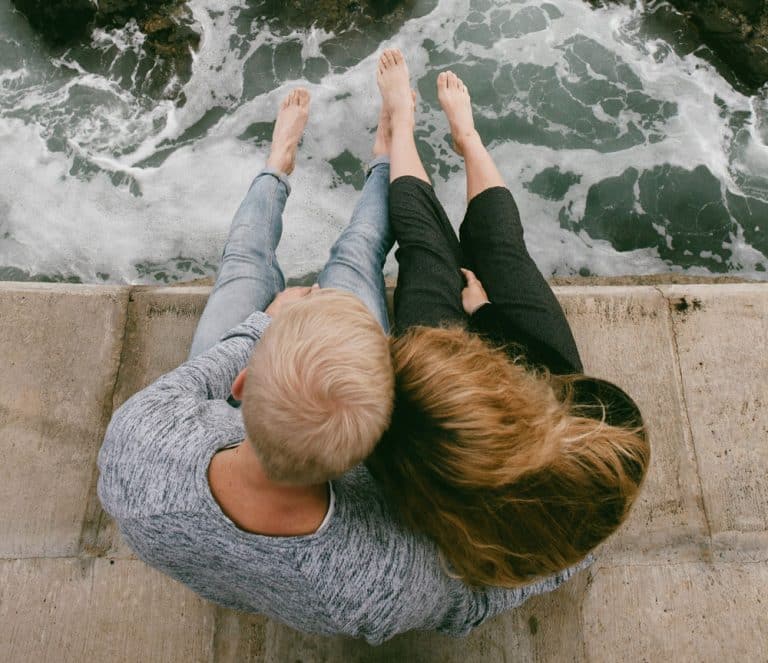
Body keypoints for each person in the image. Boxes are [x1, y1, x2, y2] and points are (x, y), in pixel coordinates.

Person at [98, 71, 594, 647]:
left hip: (233, 417)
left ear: (241, 381)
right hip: (294, 422)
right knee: (354, 260)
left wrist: (266, 323)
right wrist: (574, 550)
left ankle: (281, 162)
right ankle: (382, 156)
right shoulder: (383, 573)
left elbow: (191, 382)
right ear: (376, 447)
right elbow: (472, 600)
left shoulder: (139, 443)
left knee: (242, 266)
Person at [366, 49, 650, 588]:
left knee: (426, 252)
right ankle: (467, 139)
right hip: (549, 378)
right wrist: (487, 314)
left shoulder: (429, 458)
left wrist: (466, 325)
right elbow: (546, 373)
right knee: (502, 247)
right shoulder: (603, 444)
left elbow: (392, 455)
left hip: (456, 426)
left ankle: (402, 123)